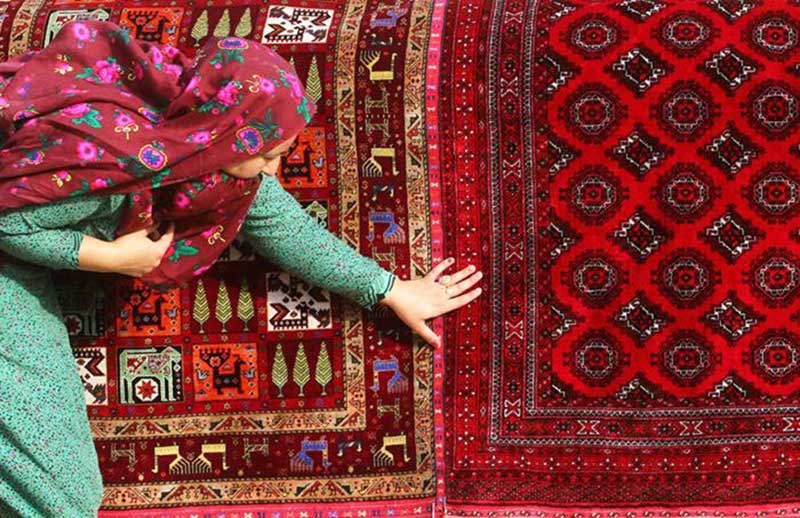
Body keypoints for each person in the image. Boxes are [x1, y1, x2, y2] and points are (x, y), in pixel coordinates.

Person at [0, 20, 482, 518]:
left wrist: (388, 288)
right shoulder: (113, 153)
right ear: (231, 132)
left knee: (62, 497)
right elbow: (9, 221)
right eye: (268, 154)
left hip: (17, 273)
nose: (275, 168)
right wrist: (112, 259)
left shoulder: (208, 148)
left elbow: (284, 227)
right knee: (63, 500)